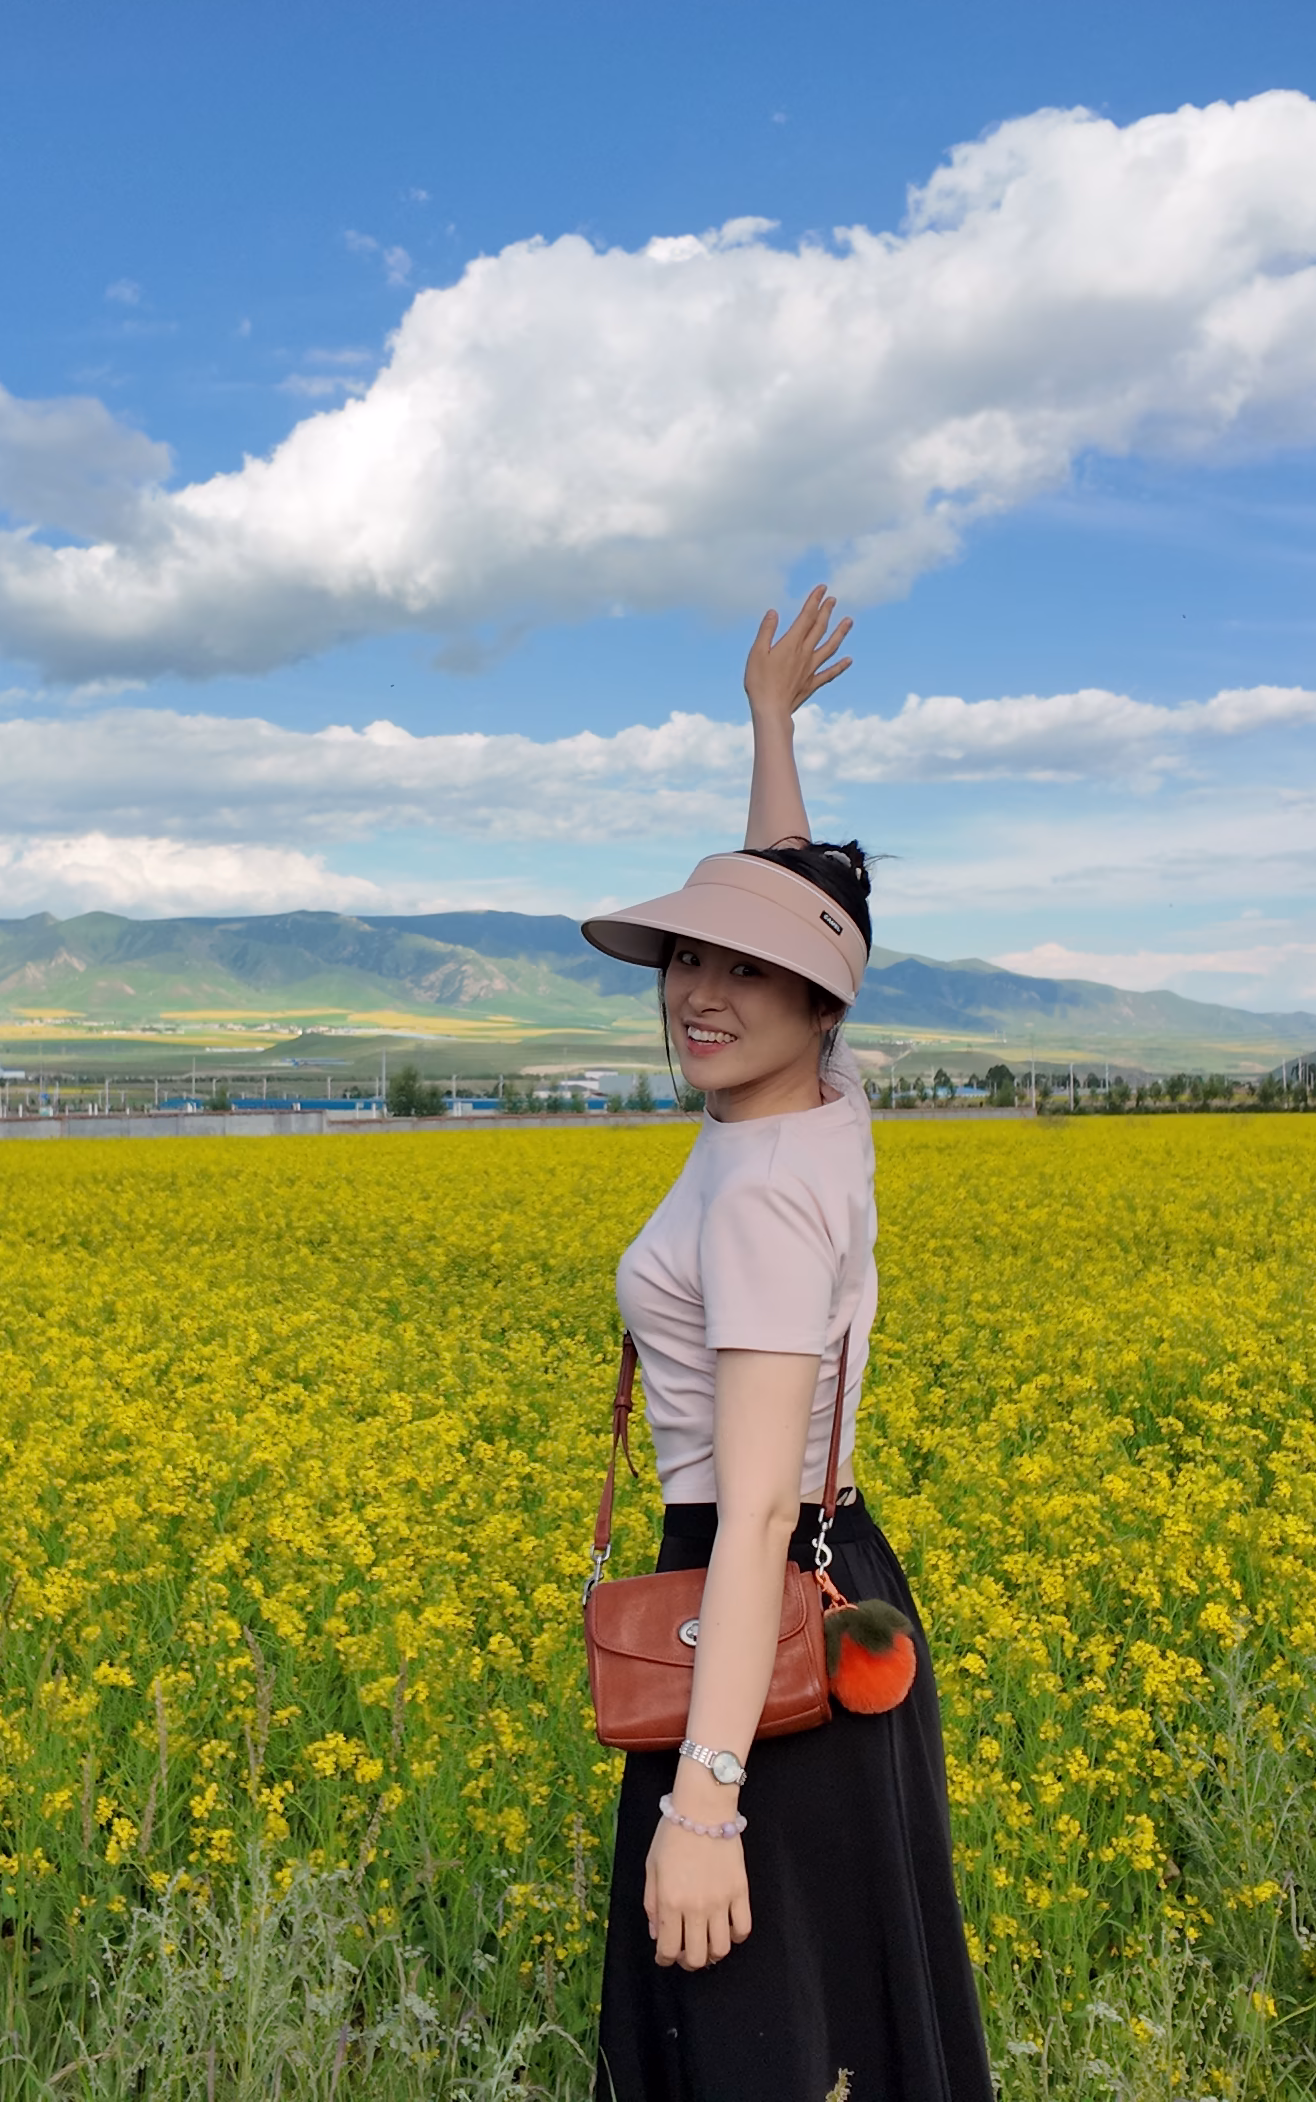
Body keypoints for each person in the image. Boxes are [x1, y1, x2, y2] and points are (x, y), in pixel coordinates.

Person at [576, 587, 993, 2101]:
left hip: (743, 1612)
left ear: (817, 1003)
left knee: (749, 2029)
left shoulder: (759, 1192)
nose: (702, 992)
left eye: (746, 974)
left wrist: (705, 1800)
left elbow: (749, 1509)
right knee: (854, 2021)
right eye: (688, 960)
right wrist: (771, 727)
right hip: (842, 1579)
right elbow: (794, 905)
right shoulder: (820, 1111)